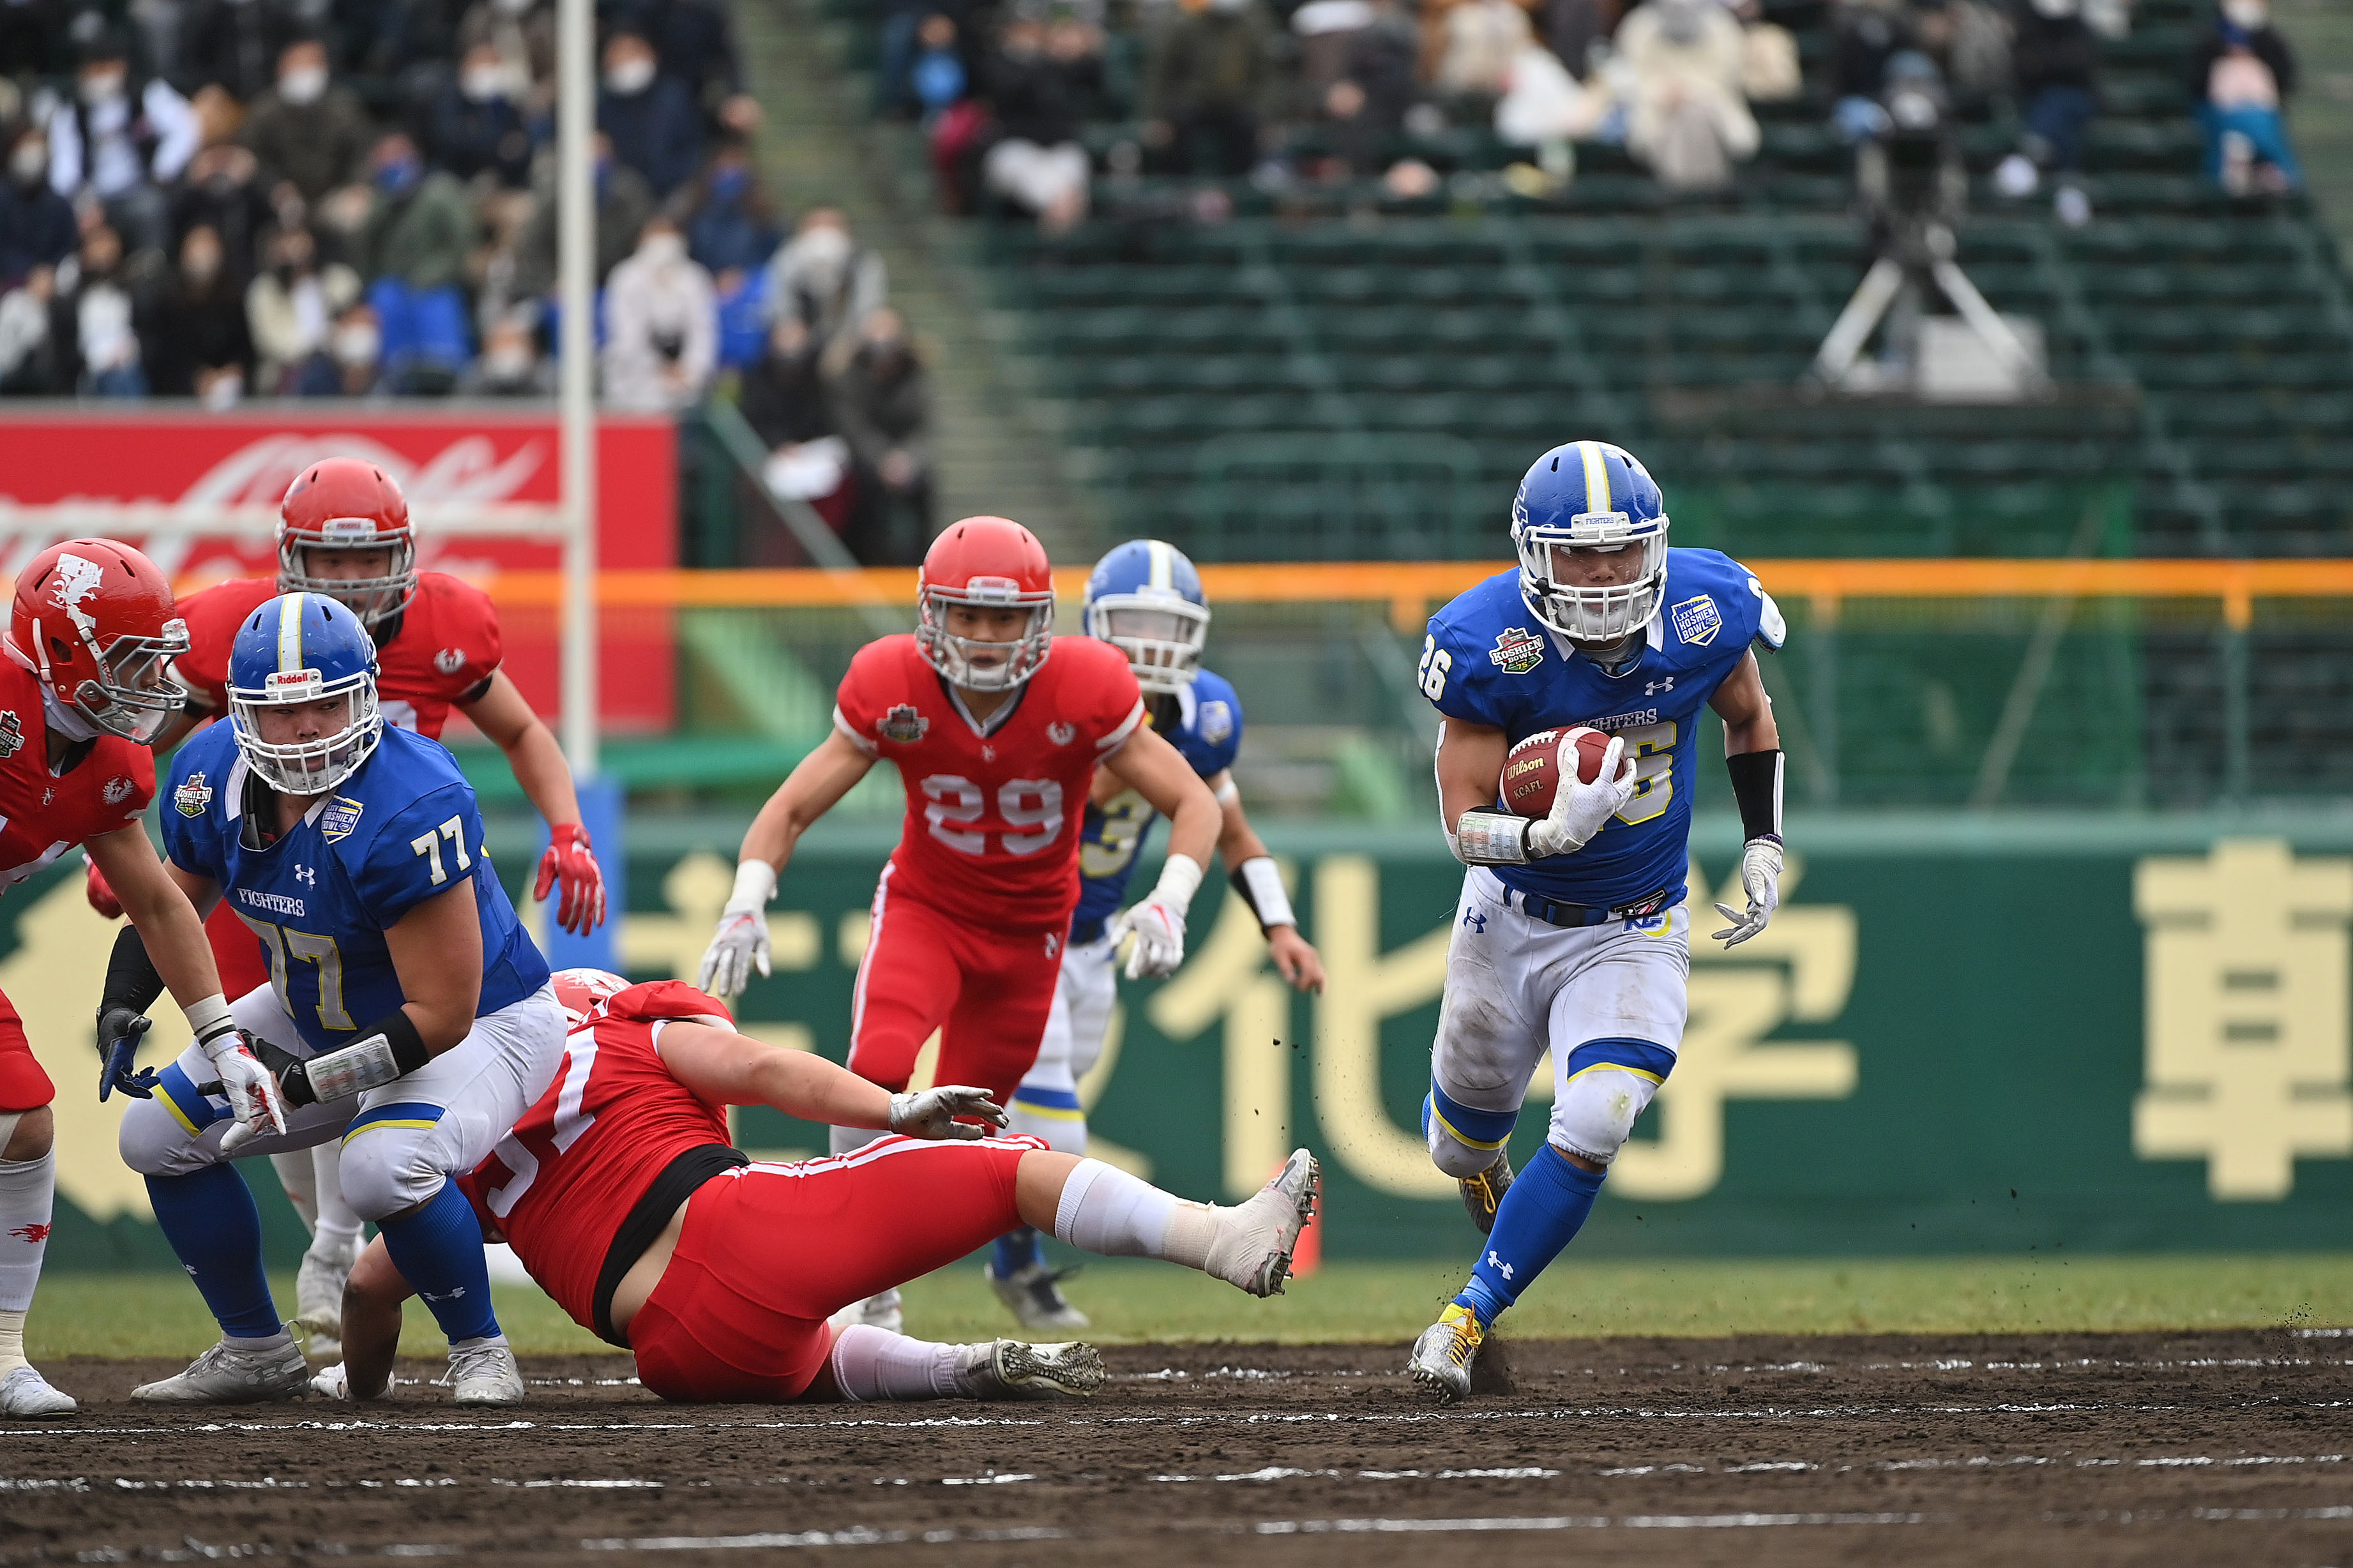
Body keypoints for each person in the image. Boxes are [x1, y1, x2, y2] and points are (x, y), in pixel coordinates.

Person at [86, 458, 607, 1361]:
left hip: (477, 1020)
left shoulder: (410, 798)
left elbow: (440, 1015)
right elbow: (171, 905)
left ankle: (479, 1350)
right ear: (229, 709)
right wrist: (124, 997)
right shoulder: (208, 767)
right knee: (154, 1137)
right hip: (317, 996)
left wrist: (294, 1086)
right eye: (277, 714)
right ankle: (257, 1351)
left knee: (375, 1167)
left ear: (368, 697)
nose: (302, 733)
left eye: (327, 709)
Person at [315, 971, 1319, 1404]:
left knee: (809, 1353)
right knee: (1020, 1171)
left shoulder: (463, 1148)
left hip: (674, 1354)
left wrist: (366, 1398)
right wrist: (894, 1110)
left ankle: (953, 1366)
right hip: (733, 1235)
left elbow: (368, 1291)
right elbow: (756, 1071)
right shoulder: (610, 1031)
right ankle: (1220, 1240)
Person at [697, 516, 1223, 1334]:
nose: (983, 636)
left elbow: (1191, 798)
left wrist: (1171, 896)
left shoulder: (1087, 686)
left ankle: (896, 1265)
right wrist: (745, 900)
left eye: (1005, 617)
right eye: (966, 615)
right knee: (874, 1072)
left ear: (1040, 619)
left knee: (968, 1131)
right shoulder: (890, 681)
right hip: (927, 909)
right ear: (930, 613)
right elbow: (792, 805)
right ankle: (862, 1285)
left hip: (1030, 935)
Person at [1402, 439, 1787, 1399]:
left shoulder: (1706, 609)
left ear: (1656, 546)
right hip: (1512, 914)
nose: (1605, 573)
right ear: (1534, 555)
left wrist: (1764, 841)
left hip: (1637, 922)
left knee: (1598, 1112)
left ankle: (1463, 1320)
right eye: (1578, 553)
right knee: (1457, 1144)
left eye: (1622, 550)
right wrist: (1544, 834)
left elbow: (1749, 715)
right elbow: (1459, 824)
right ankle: (1488, 1183)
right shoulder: (1490, 641)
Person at [992, 541, 1328, 1331]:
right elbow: (1088, 788)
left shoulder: (1203, 713)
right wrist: (1134, 734)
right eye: (1131, 625)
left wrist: (1279, 924)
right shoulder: (1053, 692)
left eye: (1165, 626)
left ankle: (1013, 1264)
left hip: (1091, 943)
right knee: (1054, 1129)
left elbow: (1235, 833)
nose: (1148, 646)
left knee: (1026, 1133)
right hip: (1012, 940)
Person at [0, 540, 269, 1418]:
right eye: (129, 658)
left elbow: (158, 902)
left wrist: (219, 1038)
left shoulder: (113, 763)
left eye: (156, 654)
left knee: (27, 1122)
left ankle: (2, 1359)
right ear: (65, 652)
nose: (154, 678)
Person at [353, 132, 476, 393]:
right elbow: (364, 251)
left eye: (399, 155)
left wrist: (433, 274)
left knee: (437, 306)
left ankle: (450, 380)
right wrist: (384, 203)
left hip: (438, 285)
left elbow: (462, 242)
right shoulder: (379, 200)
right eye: (385, 158)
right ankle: (391, 383)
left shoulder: (441, 192)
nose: (393, 163)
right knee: (384, 298)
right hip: (394, 288)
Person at [829, 307, 934, 566]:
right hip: (866, 465)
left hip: (910, 464)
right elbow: (854, 427)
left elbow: (927, 428)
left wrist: (907, 459)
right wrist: (882, 461)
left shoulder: (917, 374)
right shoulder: (850, 375)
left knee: (923, 497)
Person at [1995, 0, 2101, 227]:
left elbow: (2078, 69)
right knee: (2055, 107)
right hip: (2036, 103)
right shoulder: (2030, 29)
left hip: (2077, 103)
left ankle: (2032, 154)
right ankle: (2068, 182)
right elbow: (2024, 69)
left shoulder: (2080, 30)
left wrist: (2046, 66)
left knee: (2060, 102)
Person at [238, 38, 375, 207]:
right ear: (282, 68)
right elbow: (250, 154)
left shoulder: (344, 106)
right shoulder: (264, 109)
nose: (305, 71)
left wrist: (357, 185)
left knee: (355, 211)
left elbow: (362, 151)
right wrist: (274, 185)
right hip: (279, 196)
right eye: (298, 64)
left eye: (312, 64)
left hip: (334, 195)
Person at [600, 216, 718, 412]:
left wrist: (690, 370)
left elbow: (704, 331)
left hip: (685, 379)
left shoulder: (694, 278)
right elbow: (627, 336)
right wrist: (657, 369)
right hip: (634, 381)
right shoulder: (626, 278)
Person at [2188, 0, 2300, 195]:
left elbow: (2286, 78)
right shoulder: (2210, 38)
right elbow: (2196, 83)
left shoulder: (2269, 41)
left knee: (2257, 121)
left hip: (2263, 112)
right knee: (2241, 126)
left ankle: (2254, 166)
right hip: (2217, 114)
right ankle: (2270, 168)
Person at [144, 223, 252, 403]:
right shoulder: (167, 302)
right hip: (178, 392)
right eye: (197, 245)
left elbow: (245, 349)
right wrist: (196, 376)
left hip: (229, 387)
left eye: (208, 245)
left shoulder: (234, 298)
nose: (203, 253)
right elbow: (165, 353)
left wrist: (233, 370)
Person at [597, 29, 703, 199]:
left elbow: (693, 153)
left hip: (674, 195)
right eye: (617, 55)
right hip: (622, 198)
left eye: (631, 53)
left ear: (651, 54)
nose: (625, 61)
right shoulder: (602, 107)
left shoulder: (674, 97)